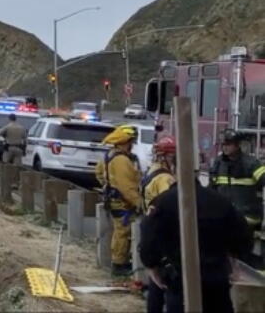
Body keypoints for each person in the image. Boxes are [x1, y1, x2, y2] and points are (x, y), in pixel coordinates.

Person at [139, 176, 253, 313]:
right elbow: (243, 233)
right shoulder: (220, 200)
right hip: (216, 279)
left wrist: (151, 266)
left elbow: (148, 235)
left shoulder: (163, 202)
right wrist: (235, 259)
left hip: (180, 280)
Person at [96, 124, 142, 277]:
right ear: (125, 141)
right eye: (131, 142)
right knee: (123, 232)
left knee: (119, 231)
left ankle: (120, 261)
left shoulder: (110, 155)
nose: (132, 146)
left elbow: (99, 173)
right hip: (123, 203)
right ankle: (119, 264)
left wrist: (108, 185)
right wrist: (139, 204)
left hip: (114, 200)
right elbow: (128, 187)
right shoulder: (122, 160)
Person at [140, 135, 177, 313]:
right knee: (168, 282)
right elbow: (170, 204)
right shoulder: (165, 179)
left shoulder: (151, 171)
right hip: (164, 234)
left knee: (155, 280)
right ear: (166, 156)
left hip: (151, 229)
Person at [210, 129, 265, 238]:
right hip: (224, 219)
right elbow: (211, 191)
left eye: (228, 144)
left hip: (248, 219)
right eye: (223, 144)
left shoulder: (251, 164)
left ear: (237, 145)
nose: (225, 147)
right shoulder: (218, 165)